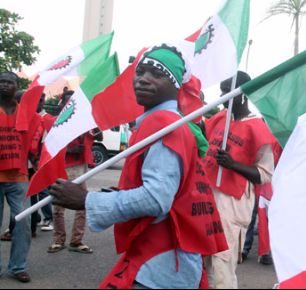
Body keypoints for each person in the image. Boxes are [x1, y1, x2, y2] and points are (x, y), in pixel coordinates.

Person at [49, 44, 227, 289]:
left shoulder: (164, 124)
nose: (143, 79)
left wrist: (86, 200)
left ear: (175, 84)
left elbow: (157, 199)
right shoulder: (161, 122)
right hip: (162, 259)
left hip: (161, 265)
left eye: (157, 73)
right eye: (140, 71)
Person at [202, 71, 279, 288]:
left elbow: (264, 174)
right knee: (202, 259)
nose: (222, 95)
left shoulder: (258, 128)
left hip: (232, 203)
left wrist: (233, 164)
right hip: (208, 196)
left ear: (242, 94)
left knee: (221, 264)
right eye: (222, 90)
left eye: (228, 91)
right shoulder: (219, 119)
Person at [0, 71, 42, 283]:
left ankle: (18, 267)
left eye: (11, 83)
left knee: (24, 222)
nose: (6, 85)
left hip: (18, 176)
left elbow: (36, 136)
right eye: (3, 81)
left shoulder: (25, 113)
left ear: (17, 87)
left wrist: (36, 157)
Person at [47, 90, 94, 254]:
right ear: (62, 105)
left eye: (73, 102)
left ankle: (76, 241)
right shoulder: (56, 123)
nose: (70, 106)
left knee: (83, 204)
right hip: (62, 168)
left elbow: (98, 138)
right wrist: (72, 149)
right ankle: (58, 240)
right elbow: (50, 148)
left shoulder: (83, 122)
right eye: (68, 103)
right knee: (59, 206)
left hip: (81, 168)